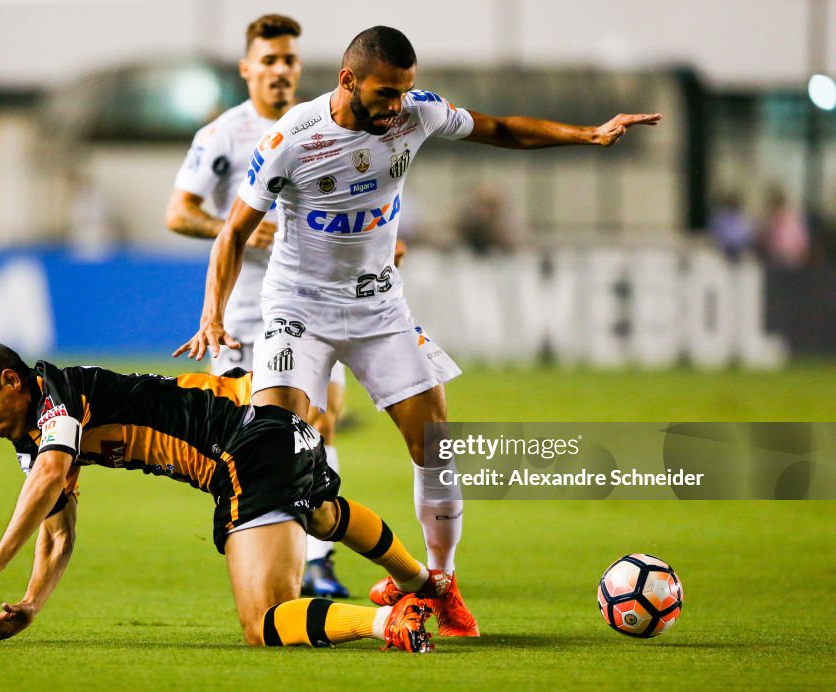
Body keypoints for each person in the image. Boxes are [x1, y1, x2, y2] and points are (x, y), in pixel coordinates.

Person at [175, 25, 661, 638]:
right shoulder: (292, 138)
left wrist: (586, 134)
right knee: (280, 441)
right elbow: (233, 233)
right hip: (298, 308)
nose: (397, 105)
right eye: (385, 93)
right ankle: (289, 586)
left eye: (404, 91)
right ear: (348, 81)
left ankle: (439, 582)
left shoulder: (416, 115)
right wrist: (212, 316)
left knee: (435, 442)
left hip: (379, 308)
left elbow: (501, 129)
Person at [0, 341, 443, 653]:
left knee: (264, 621)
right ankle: (425, 583)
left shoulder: (57, 400)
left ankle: (386, 622)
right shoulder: (32, 437)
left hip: (245, 442)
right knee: (323, 514)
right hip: (271, 425)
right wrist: (31, 604)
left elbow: (51, 473)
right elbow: (58, 534)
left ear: (13, 381)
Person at [165, 14, 350, 597]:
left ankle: (319, 559)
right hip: (245, 312)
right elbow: (179, 212)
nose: (279, 71)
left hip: (316, 301)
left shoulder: (323, 126)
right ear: (248, 69)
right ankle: (263, 549)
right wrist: (238, 228)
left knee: (321, 424)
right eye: (268, 61)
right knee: (262, 435)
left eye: (288, 60)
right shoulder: (223, 135)